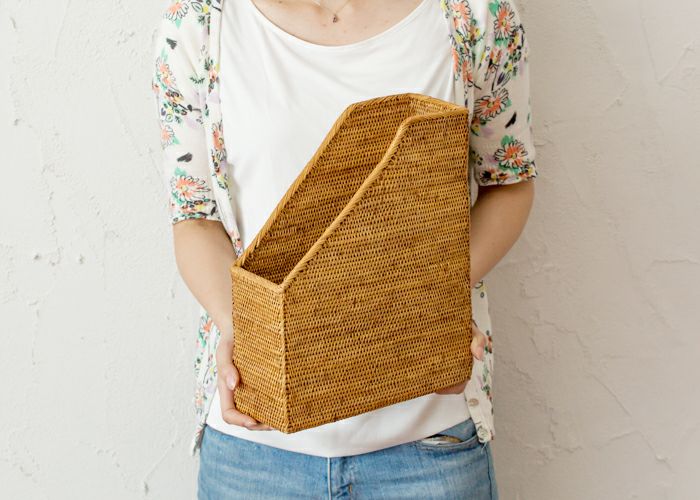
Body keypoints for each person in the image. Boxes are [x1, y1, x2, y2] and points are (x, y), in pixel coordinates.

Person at [151, 0, 537, 497]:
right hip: (255, 453)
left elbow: (508, 183)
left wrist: (433, 301)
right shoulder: (199, 26)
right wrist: (246, 328)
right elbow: (194, 216)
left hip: (427, 445)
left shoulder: (473, 15)